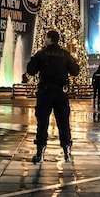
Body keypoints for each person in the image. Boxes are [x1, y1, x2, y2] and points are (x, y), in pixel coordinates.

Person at [26, 30, 80, 163]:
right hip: (61, 93)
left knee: (42, 123)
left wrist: (36, 58)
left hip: (45, 92)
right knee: (63, 123)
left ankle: (40, 153)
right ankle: (67, 152)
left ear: (49, 39)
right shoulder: (65, 54)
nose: (44, 40)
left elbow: (30, 71)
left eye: (46, 38)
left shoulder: (42, 53)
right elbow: (75, 71)